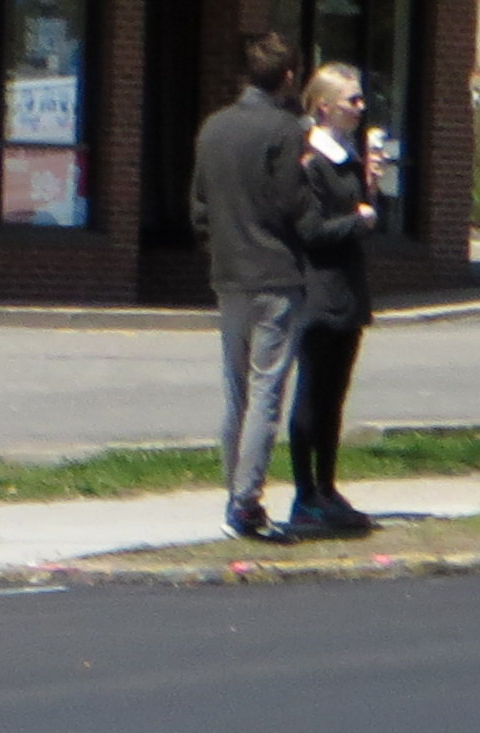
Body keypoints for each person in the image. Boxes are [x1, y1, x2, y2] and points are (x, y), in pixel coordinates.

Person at [192, 31, 311, 544]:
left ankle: (234, 495)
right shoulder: (287, 131)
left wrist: (219, 250)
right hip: (276, 275)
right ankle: (245, 503)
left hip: (229, 275)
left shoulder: (214, 129)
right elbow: (295, 207)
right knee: (266, 392)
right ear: (288, 77)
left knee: (236, 393)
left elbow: (199, 207)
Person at [288, 63, 378, 537]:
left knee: (336, 395)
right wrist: (357, 220)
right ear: (324, 106)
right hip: (319, 291)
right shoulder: (311, 160)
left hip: (348, 289)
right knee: (313, 391)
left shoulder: (347, 154)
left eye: (361, 99)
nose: (361, 108)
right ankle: (305, 494)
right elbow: (311, 231)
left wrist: (370, 190)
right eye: (352, 100)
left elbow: (357, 212)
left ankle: (328, 485)